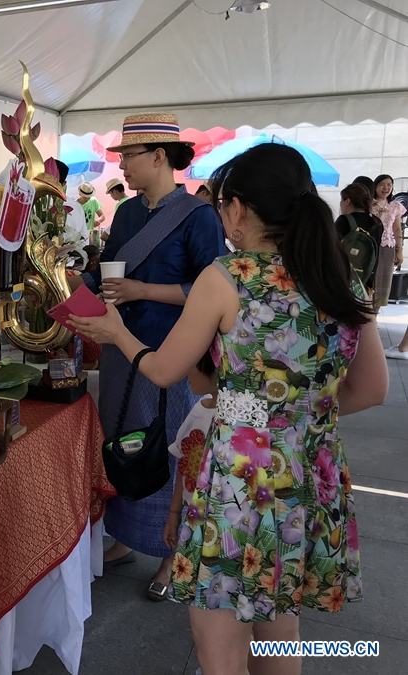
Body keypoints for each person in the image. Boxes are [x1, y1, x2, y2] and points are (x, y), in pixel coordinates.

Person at [69, 142, 388, 675]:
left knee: (220, 649)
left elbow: (164, 370)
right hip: (312, 476)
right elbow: (371, 389)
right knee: (280, 634)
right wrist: (290, 418)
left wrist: (115, 332)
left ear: (237, 209)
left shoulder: (228, 276)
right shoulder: (341, 278)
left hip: (241, 483)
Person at [68, 113, 226, 600]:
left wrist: (143, 290)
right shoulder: (127, 213)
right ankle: (123, 538)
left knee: (166, 445)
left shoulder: (198, 217)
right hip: (119, 346)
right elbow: (108, 271)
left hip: (170, 350)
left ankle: (169, 556)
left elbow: (213, 288)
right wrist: (72, 285)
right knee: (121, 439)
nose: (122, 167)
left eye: (128, 157)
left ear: (159, 156)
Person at [163, 351, 216, 552]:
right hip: (193, 514)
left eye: (192, 364)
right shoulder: (198, 412)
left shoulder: (231, 425)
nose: (187, 373)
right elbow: (185, 465)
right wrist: (174, 512)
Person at [335, 183, 383, 291]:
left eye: (341, 200)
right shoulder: (377, 222)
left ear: (347, 201)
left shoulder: (344, 220)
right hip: (366, 279)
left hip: (344, 278)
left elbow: (332, 248)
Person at [370, 174, 407, 310]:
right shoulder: (368, 203)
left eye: (389, 185)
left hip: (388, 247)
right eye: (382, 185)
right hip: (371, 246)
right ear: (375, 187)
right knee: (370, 278)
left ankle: (375, 313)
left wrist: (400, 250)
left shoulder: (395, 205)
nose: (386, 188)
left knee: (383, 280)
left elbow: (397, 229)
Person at [101, 179, 129, 243]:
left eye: (110, 194)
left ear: (115, 191)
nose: (111, 196)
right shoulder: (131, 200)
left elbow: (118, 222)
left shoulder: (120, 204)